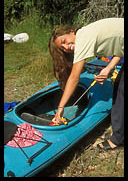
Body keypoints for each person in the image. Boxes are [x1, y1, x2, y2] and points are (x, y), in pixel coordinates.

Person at [49, 18, 124, 150]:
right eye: (63, 48)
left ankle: (117, 139)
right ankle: (119, 134)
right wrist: (108, 68)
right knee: (119, 87)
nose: (67, 47)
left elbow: (74, 77)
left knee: (121, 92)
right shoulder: (88, 33)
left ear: (71, 32)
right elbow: (120, 48)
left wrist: (60, 107)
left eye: (64, 41)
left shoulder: (83, 37)